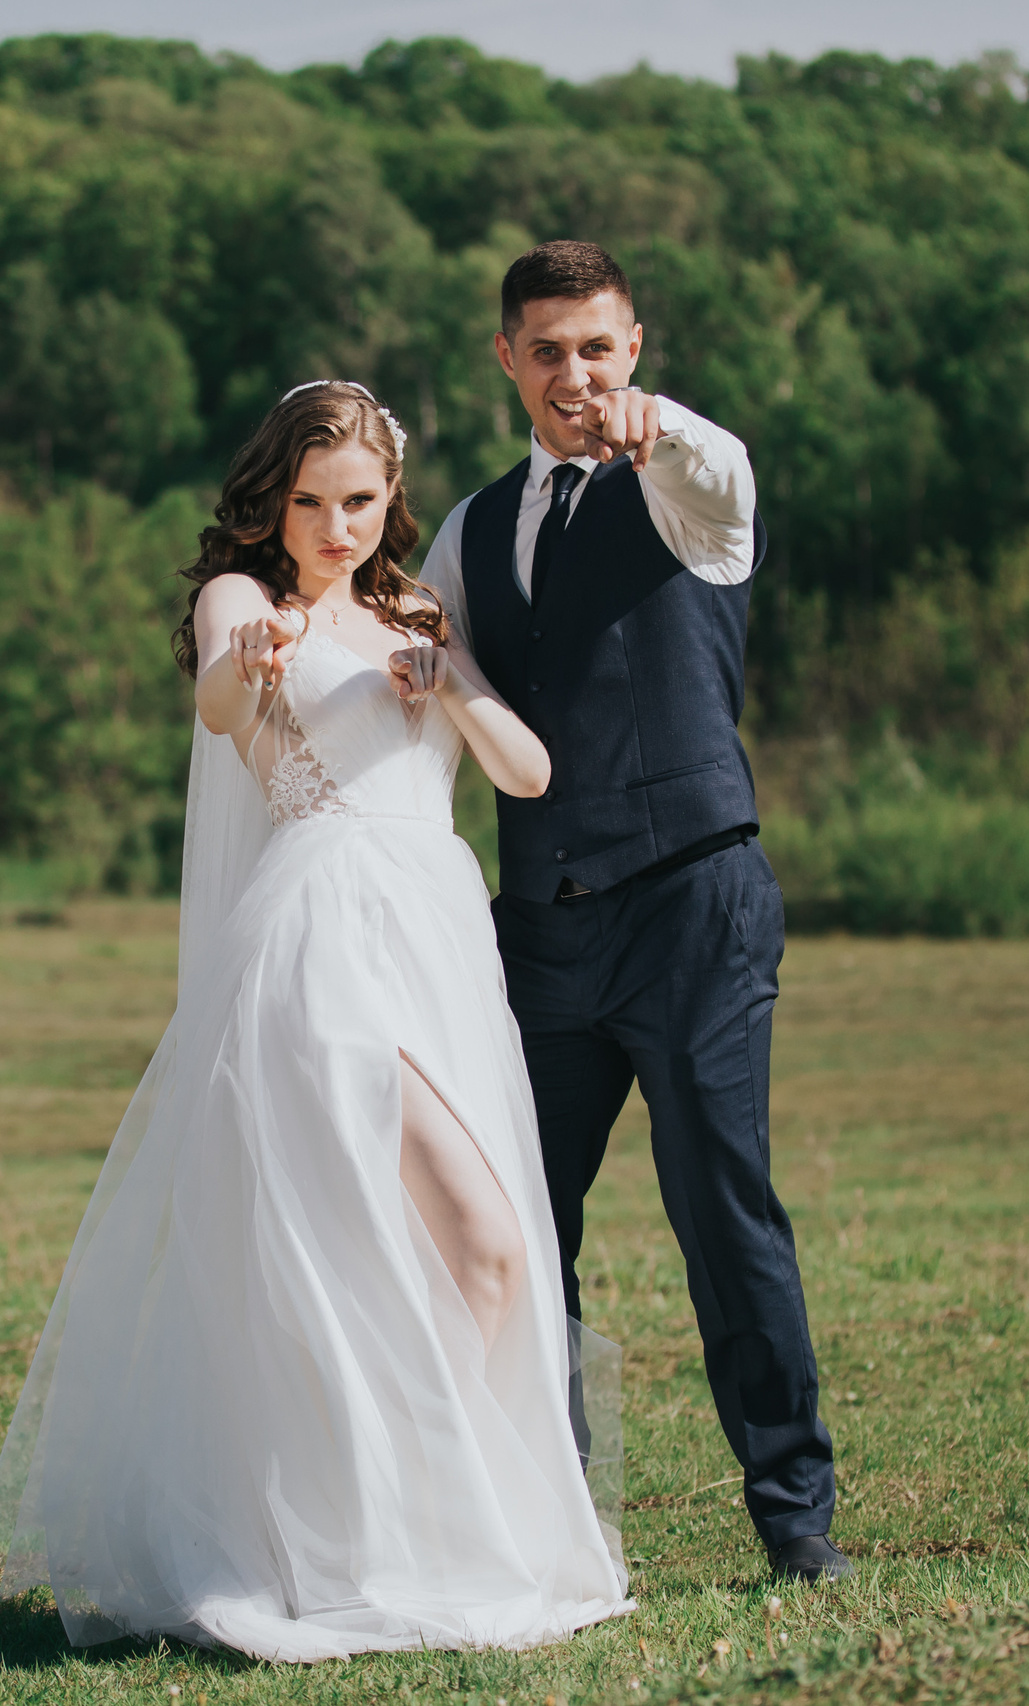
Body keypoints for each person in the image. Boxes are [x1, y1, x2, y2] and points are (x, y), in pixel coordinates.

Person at [0, 380, 633, 1662]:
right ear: (272, 503)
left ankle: (411, 1520)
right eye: (311, 501)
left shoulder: (416, 610)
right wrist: (256, 658)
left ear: (392, 499)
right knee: (413, 1245)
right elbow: (223, 703)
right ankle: (358, 1533)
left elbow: (527, 769)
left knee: (479, 1257)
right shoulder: (245, 598)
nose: (336, 526)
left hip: (436, 944)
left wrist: (446, 681)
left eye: (360, 501)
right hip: (322, 941)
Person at [413, 240, 848, 1584]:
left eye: (597, 348)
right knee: (515, 1224)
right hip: (541, 931)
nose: (575, 375)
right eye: (547, 350)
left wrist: (659, 427)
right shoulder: (472, 528)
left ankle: (794, 1516)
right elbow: (418, 672)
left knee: (722, 1207)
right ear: (507, 358)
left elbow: (724, 473)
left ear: (634, 348)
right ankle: (554, 1515)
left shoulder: (688, 489)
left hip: (691, 907)